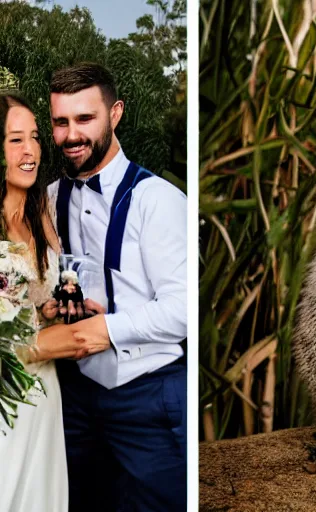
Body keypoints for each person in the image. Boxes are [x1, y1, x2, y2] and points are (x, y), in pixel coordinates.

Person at [46, 63, 187, 512]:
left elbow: (184, 309)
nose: (72, 136)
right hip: (74, 399)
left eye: (85, 119)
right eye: (61, 122)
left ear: (115, 113)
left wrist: (107, 330)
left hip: (149, 397)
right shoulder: (49, 198)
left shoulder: (159, 200)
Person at [0, 92, 103, 512]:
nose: (30, 150)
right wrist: (43, 345)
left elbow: (39, 303)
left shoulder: (41, 209)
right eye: (14, 140)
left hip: (44, 393)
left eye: (36, 137)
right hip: (7, 395)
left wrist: (60, 309)